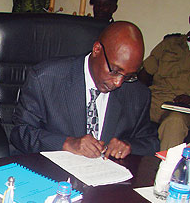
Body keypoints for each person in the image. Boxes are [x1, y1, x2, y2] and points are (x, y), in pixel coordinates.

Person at [10, 21, 159, 159]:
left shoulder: (138, 94)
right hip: (54, 176)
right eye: (114, 71)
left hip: (107, 180)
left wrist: (129, 146)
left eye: (128, 76)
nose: (118, 82)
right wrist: (66, 143)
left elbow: (151, 142)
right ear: (97, 49)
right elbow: (21, 133)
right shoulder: (45, 79)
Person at [138, 16, 190, 151]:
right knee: (121, 106)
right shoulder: (170, 44)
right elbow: (145, 73)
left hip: (184, 109)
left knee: (175, 122)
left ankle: (166, 171)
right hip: (155, 100)